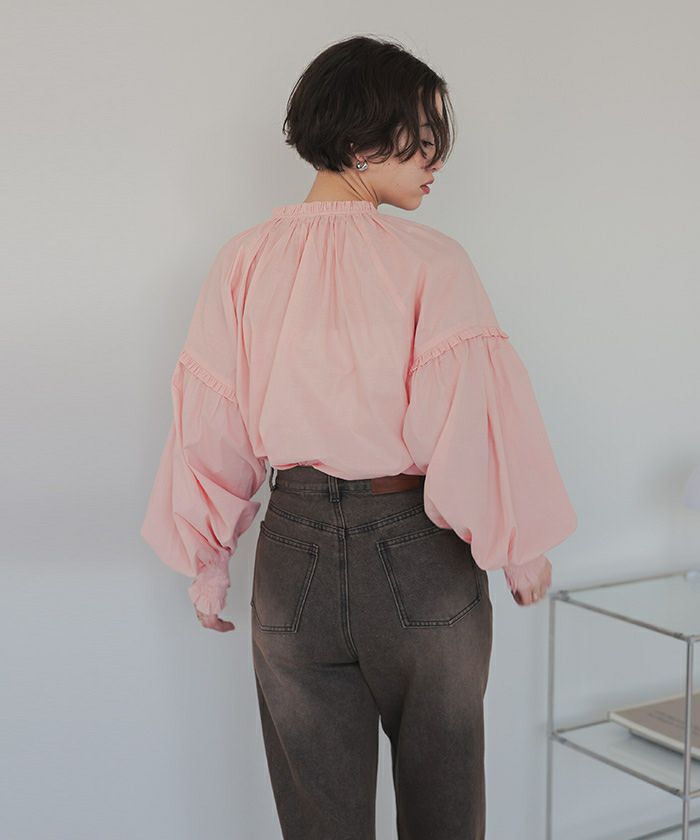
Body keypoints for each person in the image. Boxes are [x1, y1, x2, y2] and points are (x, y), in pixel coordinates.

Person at [140, 34, 577, 840]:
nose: (437, 159)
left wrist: (208, 563)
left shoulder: (242, 262)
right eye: (422, 134)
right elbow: (469, 419)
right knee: (445, 808)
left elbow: (212, 424)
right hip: (416, 552)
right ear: (361, 137)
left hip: (290, 556)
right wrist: (519, 550)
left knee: (318, 820)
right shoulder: (432, 263)